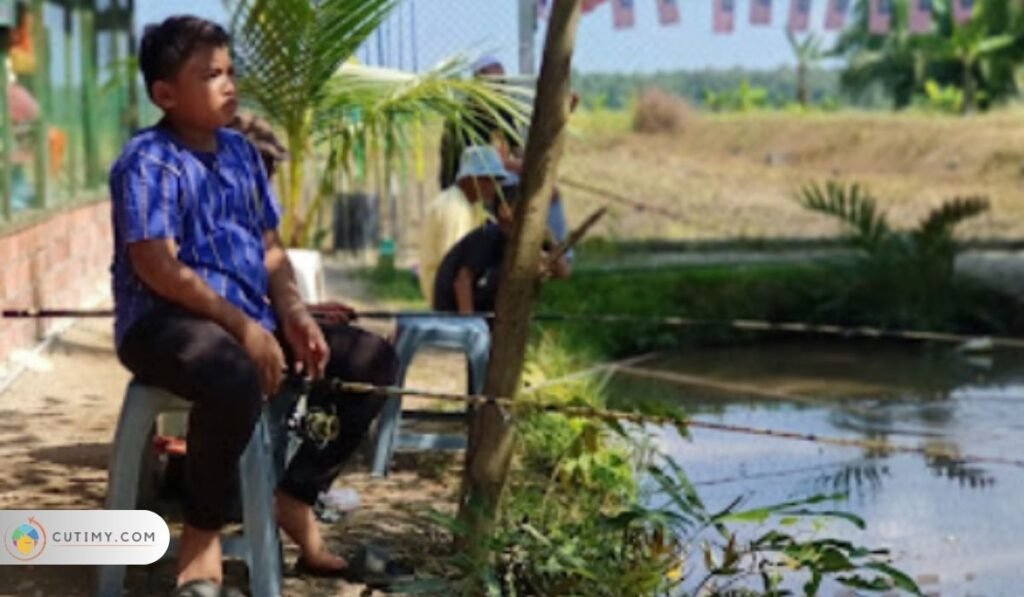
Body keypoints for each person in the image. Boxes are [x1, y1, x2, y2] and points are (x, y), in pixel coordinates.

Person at [110, 17, 404, 596]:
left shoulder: (243, 155)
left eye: (230, 71)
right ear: (165, 94)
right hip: (165, 326)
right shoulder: (148, 160)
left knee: (369, 360)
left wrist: (294, 313)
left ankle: (293, 497)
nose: (229, 84)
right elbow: (156, 265)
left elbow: (271, 253)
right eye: (210, 74)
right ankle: (202, 536)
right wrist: (242, 326)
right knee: (230, 372)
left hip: (248, 322)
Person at [433, 193, 570, 315]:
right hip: (456, 313)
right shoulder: (487, 237)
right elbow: (462, 281)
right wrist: (469, 324)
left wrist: (550, 240)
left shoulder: (531, 237)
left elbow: (562, 272)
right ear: (504, 211)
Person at [418, 145, 509, 304]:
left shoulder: (473, 207)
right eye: (487, 180)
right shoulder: (455, 208)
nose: (493, 187)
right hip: (448, 297)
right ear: (470, 179)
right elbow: (457, 267)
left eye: (496, 181)